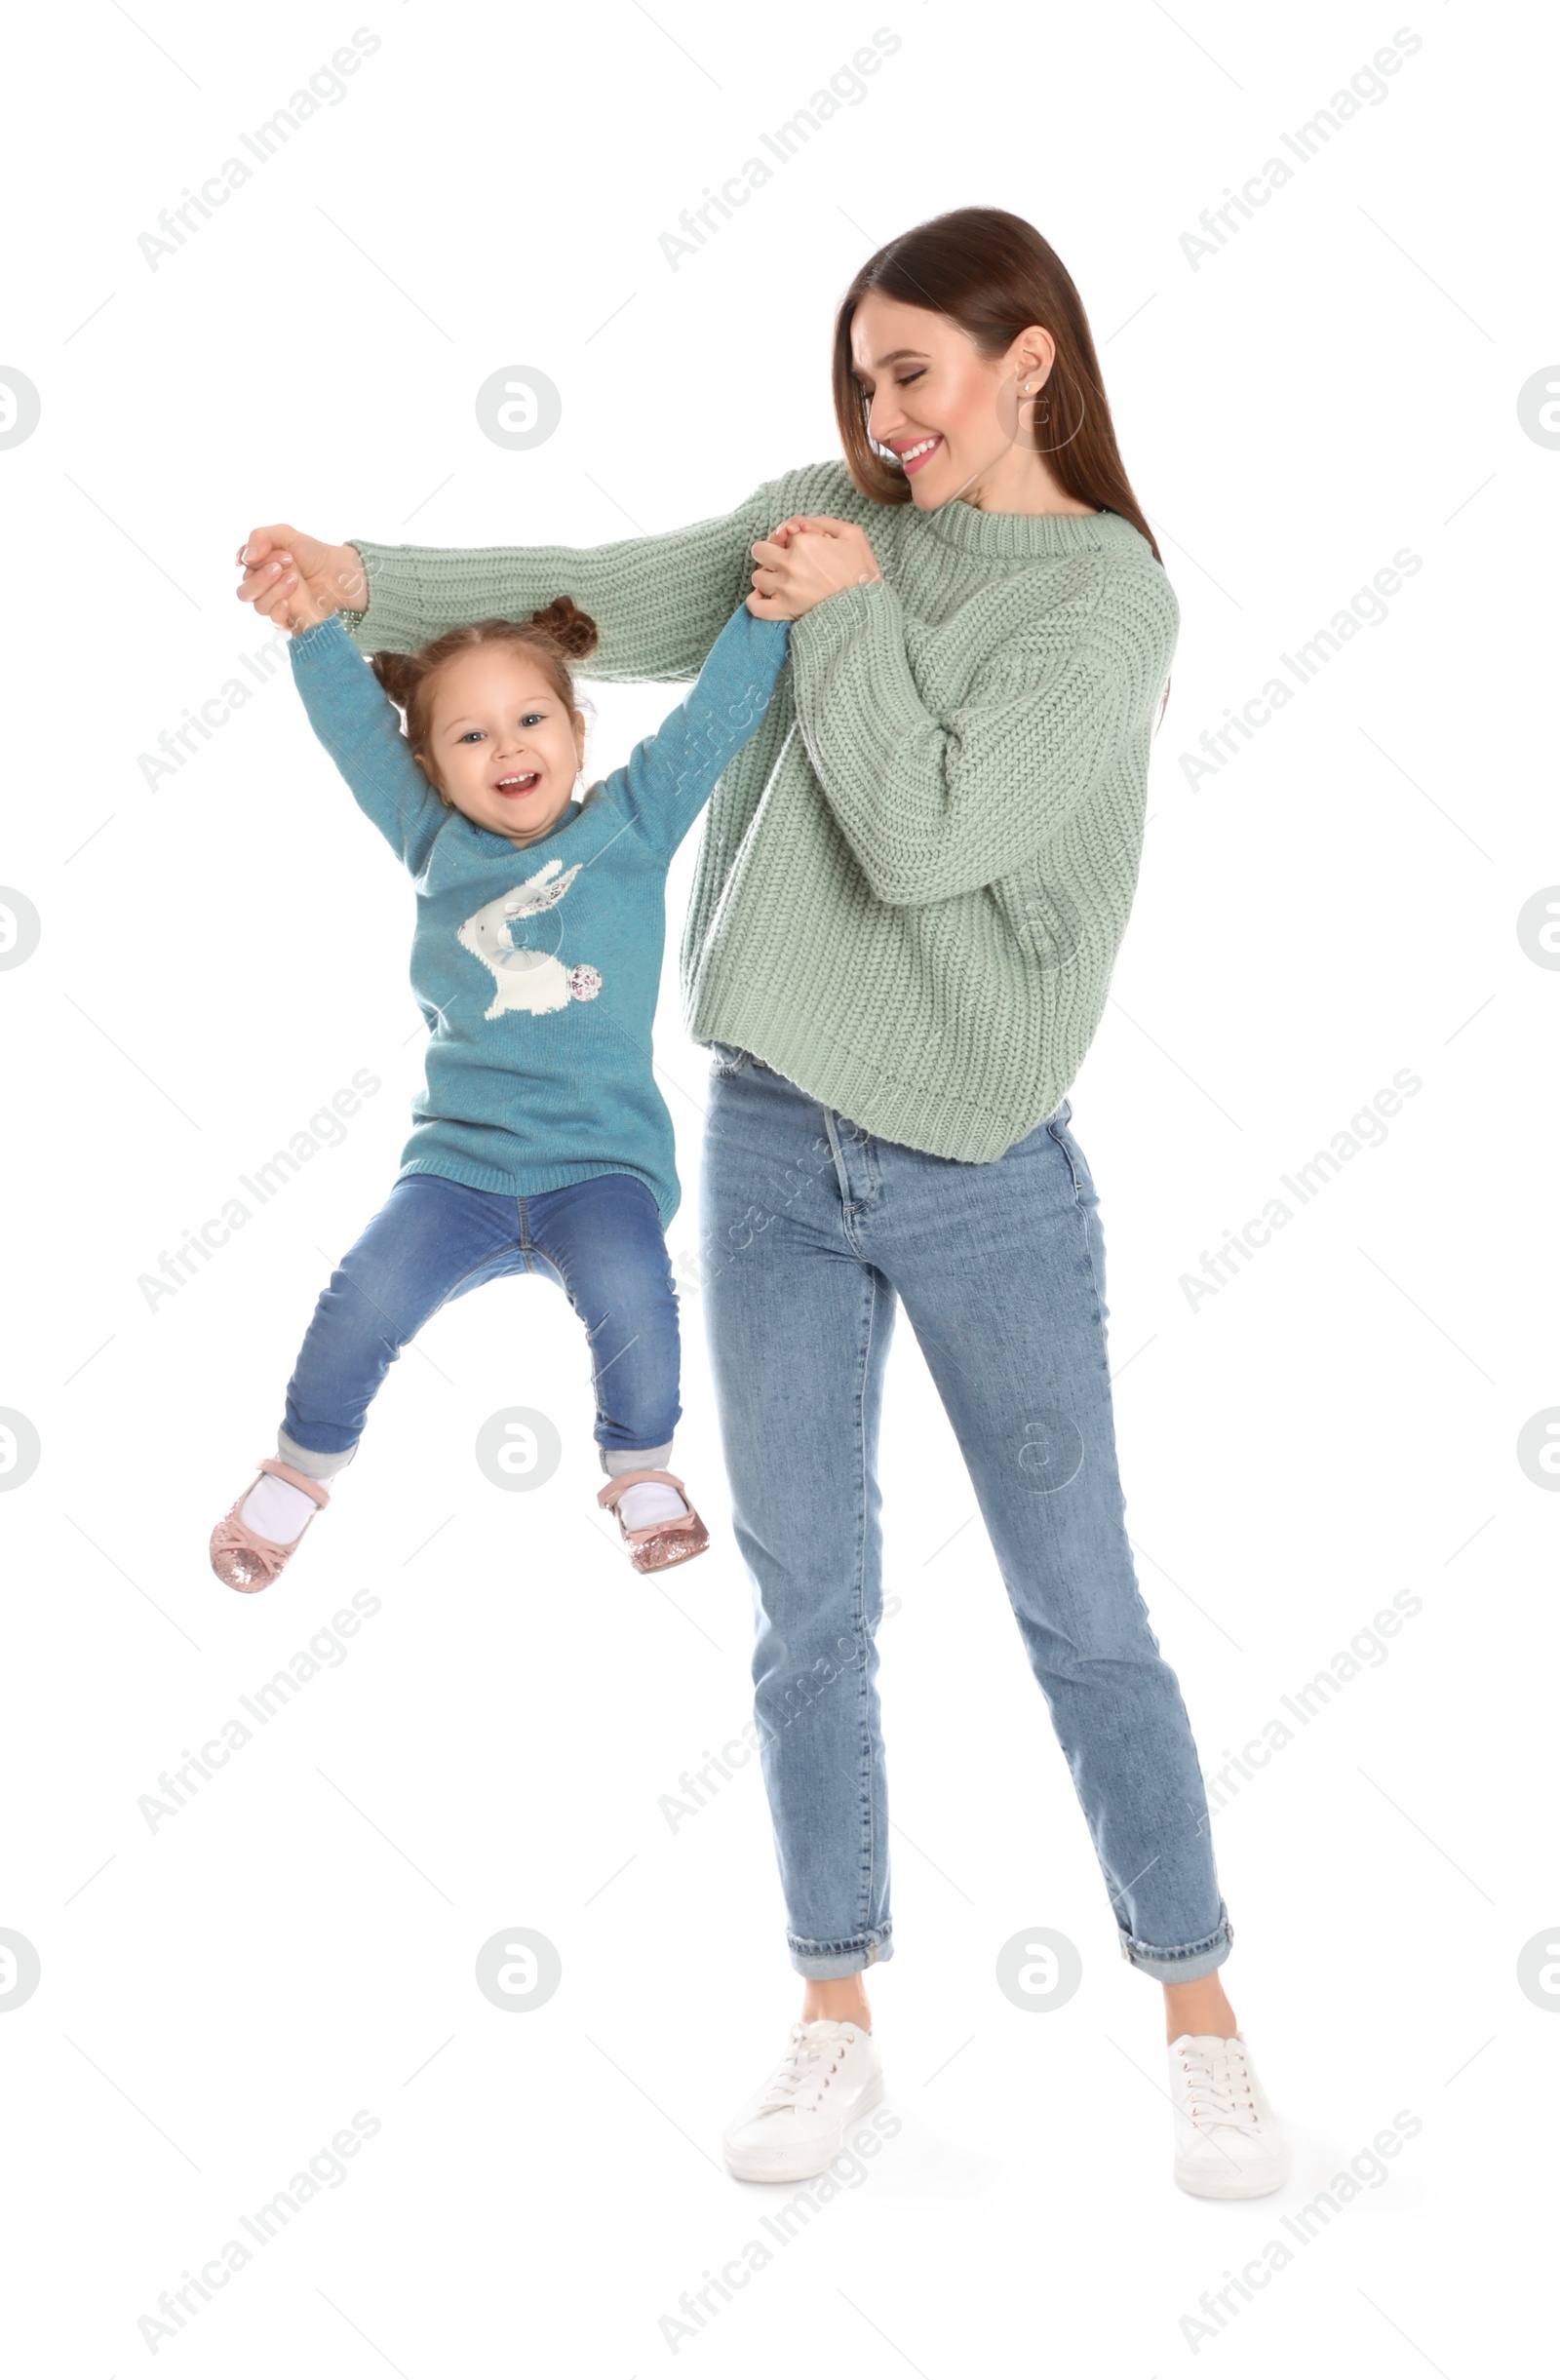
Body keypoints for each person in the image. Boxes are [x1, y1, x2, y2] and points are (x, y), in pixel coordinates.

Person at [233, 206, 1290, 2201]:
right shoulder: (822, 507)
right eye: (863, 376)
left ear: (1028, 361)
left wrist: (848, 611)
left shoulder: (1104, 604)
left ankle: (1200, 2013)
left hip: (977, 1164)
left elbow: (927, 832)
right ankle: (831, 2009)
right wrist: (365, 579)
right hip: (760, 1144)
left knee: (1082, 1612)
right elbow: (612, 596)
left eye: (912, 373)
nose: (878, 416)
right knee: (808, 1605)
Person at [209, 577, 793, 1589]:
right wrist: (311, 629)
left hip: (600, 1165)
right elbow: (355, 730)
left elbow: (711, 723)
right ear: (430, 770)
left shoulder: (634, 822)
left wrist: (771, 616)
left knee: (634, 1291)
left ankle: (641, 1473)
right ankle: (300, 1471)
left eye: (529, 720)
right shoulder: (433, 840)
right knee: (363, 1294)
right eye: (470, 737)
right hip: (458, 1167)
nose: (509, 747)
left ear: (575, 729)